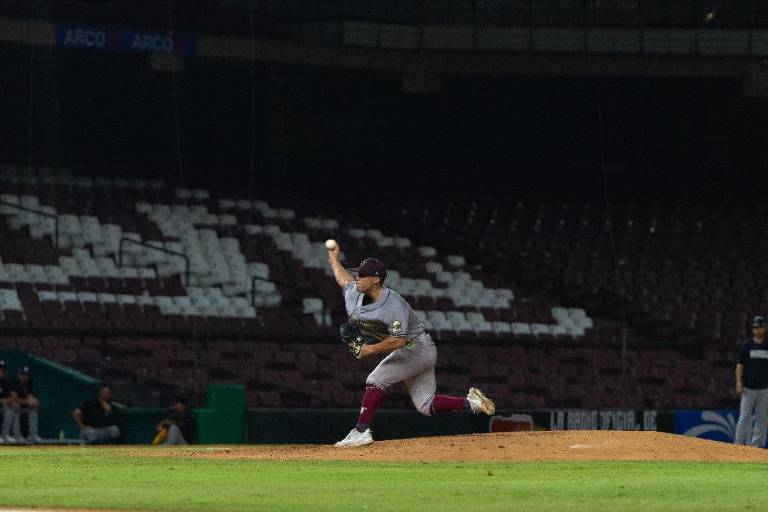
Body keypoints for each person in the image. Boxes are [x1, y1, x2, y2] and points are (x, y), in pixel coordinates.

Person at [328, 245, 496, 447]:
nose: (357, 278)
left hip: (416, 348)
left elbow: (399, 340)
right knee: (426, 405)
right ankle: (473, 403)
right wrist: (334, 259)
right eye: (358, 274)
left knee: (375, 379)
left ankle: (361, 431)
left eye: (363, 276)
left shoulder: (393, 305)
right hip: (413, 351)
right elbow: (342, 278)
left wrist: (368, 350)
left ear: (376, 280)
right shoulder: (354, 291)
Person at [734, 315, 768, 447]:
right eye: (756, 327)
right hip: (748, 388)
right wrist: (739, 383)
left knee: (762, 418)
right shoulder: (747, 345)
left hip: (764, 388)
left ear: (765, 328)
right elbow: (739, 366)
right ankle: (738, 443)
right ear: (753, 329)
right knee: (744, 417)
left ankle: (757, 445)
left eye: (761, 327)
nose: (758, 330)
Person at [11, 366, 41, 443]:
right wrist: (27, 402)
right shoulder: (14, 382)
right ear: (18, 375)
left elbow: (30, 397)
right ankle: (17, 435)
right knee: (15, 406)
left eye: (26, 375)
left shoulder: (28, 383)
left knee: (33, 408)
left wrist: (34, 401)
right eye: (22, 375)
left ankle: (33, 435)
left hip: (23, 407)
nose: (24, 377)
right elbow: (14, 399)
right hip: (12, 407)